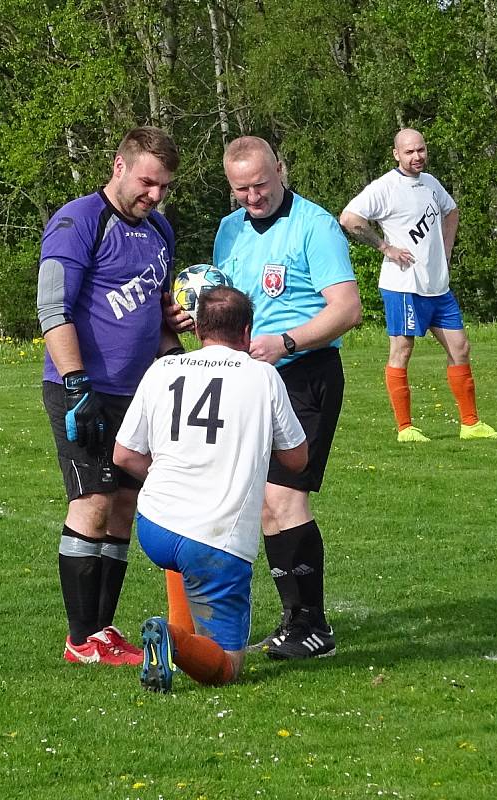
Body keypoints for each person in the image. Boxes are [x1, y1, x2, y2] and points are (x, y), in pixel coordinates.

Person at [208, 136, 362, 660]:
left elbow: (347, 309)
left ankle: (312, 626)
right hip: (249, 380)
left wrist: (287, 342)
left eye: (260, 184)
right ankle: (295, 622)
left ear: (280, 169)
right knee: (265, 506)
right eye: (241, 189)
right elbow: (227, 306)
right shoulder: (228, 231)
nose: (253, 197)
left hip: (304, 373)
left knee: (284, 498)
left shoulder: (315, 226)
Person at [37, 126, 184, 666]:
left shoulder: (161, 231)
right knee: (92, 504)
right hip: (82, 390)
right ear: (119, 166)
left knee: (124, 506)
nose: (156, 195)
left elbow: (157, 311)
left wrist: (175, 352)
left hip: (139, 392)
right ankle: (81, 639)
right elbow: (53, 309)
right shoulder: (78, 222)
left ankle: (103, 633)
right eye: (148, 182)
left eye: (164, 186)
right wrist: (78, 386)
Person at [113, 286, 308, 691]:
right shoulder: (263, 376)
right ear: (248, 331)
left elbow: (124, 454)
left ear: (198, 328)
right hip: (216, 537)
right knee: (227, 669)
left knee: (184, 553)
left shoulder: (161, 370)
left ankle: (173, 636)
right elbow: (296, 459)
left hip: (155, 525)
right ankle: (170, 639)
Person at [340, 128, 497, 443]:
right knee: (402, 350)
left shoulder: (431, 183)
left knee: (460, 348)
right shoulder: (385, 188)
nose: (417, 156)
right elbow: (349, 218)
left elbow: (452, 210)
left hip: (438, 287)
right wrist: (384, 248)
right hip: (403, 286)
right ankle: (406, 429)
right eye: (409, 152)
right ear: (396, 154)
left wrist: (446, 249)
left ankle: (471, 424)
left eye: (421, 150)